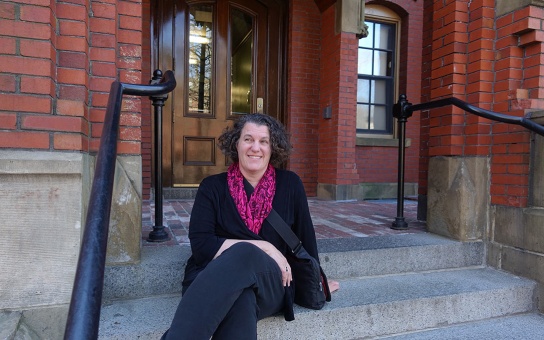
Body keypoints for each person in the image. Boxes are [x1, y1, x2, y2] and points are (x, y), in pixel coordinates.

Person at [162, 113, 339, 340]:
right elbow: (201, 246)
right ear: (236, 143)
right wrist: (266, 247)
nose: (255, 148)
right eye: (248, 139)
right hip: (211, 278)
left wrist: (317, 283)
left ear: (273, 147)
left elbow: (305, 241)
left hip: (271, 283)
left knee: (244, 253)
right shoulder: (211, 187)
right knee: (241, 298)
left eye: (263, 141)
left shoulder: (290, 184)